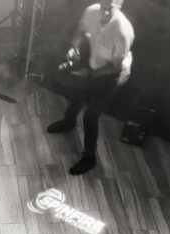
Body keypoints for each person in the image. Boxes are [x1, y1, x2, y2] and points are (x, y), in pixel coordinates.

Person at [45, 1, 135, 175]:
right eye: (104, 7)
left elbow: (115, 68)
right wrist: (74, 49)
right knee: (78, 94)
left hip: (112, 77)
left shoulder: (123, 32)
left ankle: (89, 158)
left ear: (119, 7)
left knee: (91, 116)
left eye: (111, 9)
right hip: (93, 64)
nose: (106, 13)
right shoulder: (91, 11)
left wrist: (90, 74)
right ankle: (69, 122)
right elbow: (80, 32)